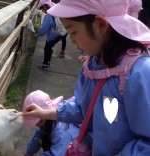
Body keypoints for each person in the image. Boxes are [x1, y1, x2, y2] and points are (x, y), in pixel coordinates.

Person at [22, 0, 150, 155]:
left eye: (73, 32)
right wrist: (46, 113)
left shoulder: (138, 74)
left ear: (101, 24)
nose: (72, 41)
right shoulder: (91, 66)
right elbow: (83, 108)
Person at [23, 90, 79, 156]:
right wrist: (28, 153)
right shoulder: (47, 122)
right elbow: (37, 137)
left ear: (41, 120)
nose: (34, 124)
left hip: (73, 150)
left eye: (34, 121)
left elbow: (57, 153)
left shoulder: (62, 130)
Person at [36, 0, 67, 69]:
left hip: (56, 34)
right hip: (63, 31)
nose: (42, 11)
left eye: (41, 9)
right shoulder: (56, 8)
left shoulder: (49, 15)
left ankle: (45, 64)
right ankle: (48, 60)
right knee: (49, 46)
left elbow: (44, 29)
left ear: (44, 6)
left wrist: (39, 33)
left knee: (47, 47)